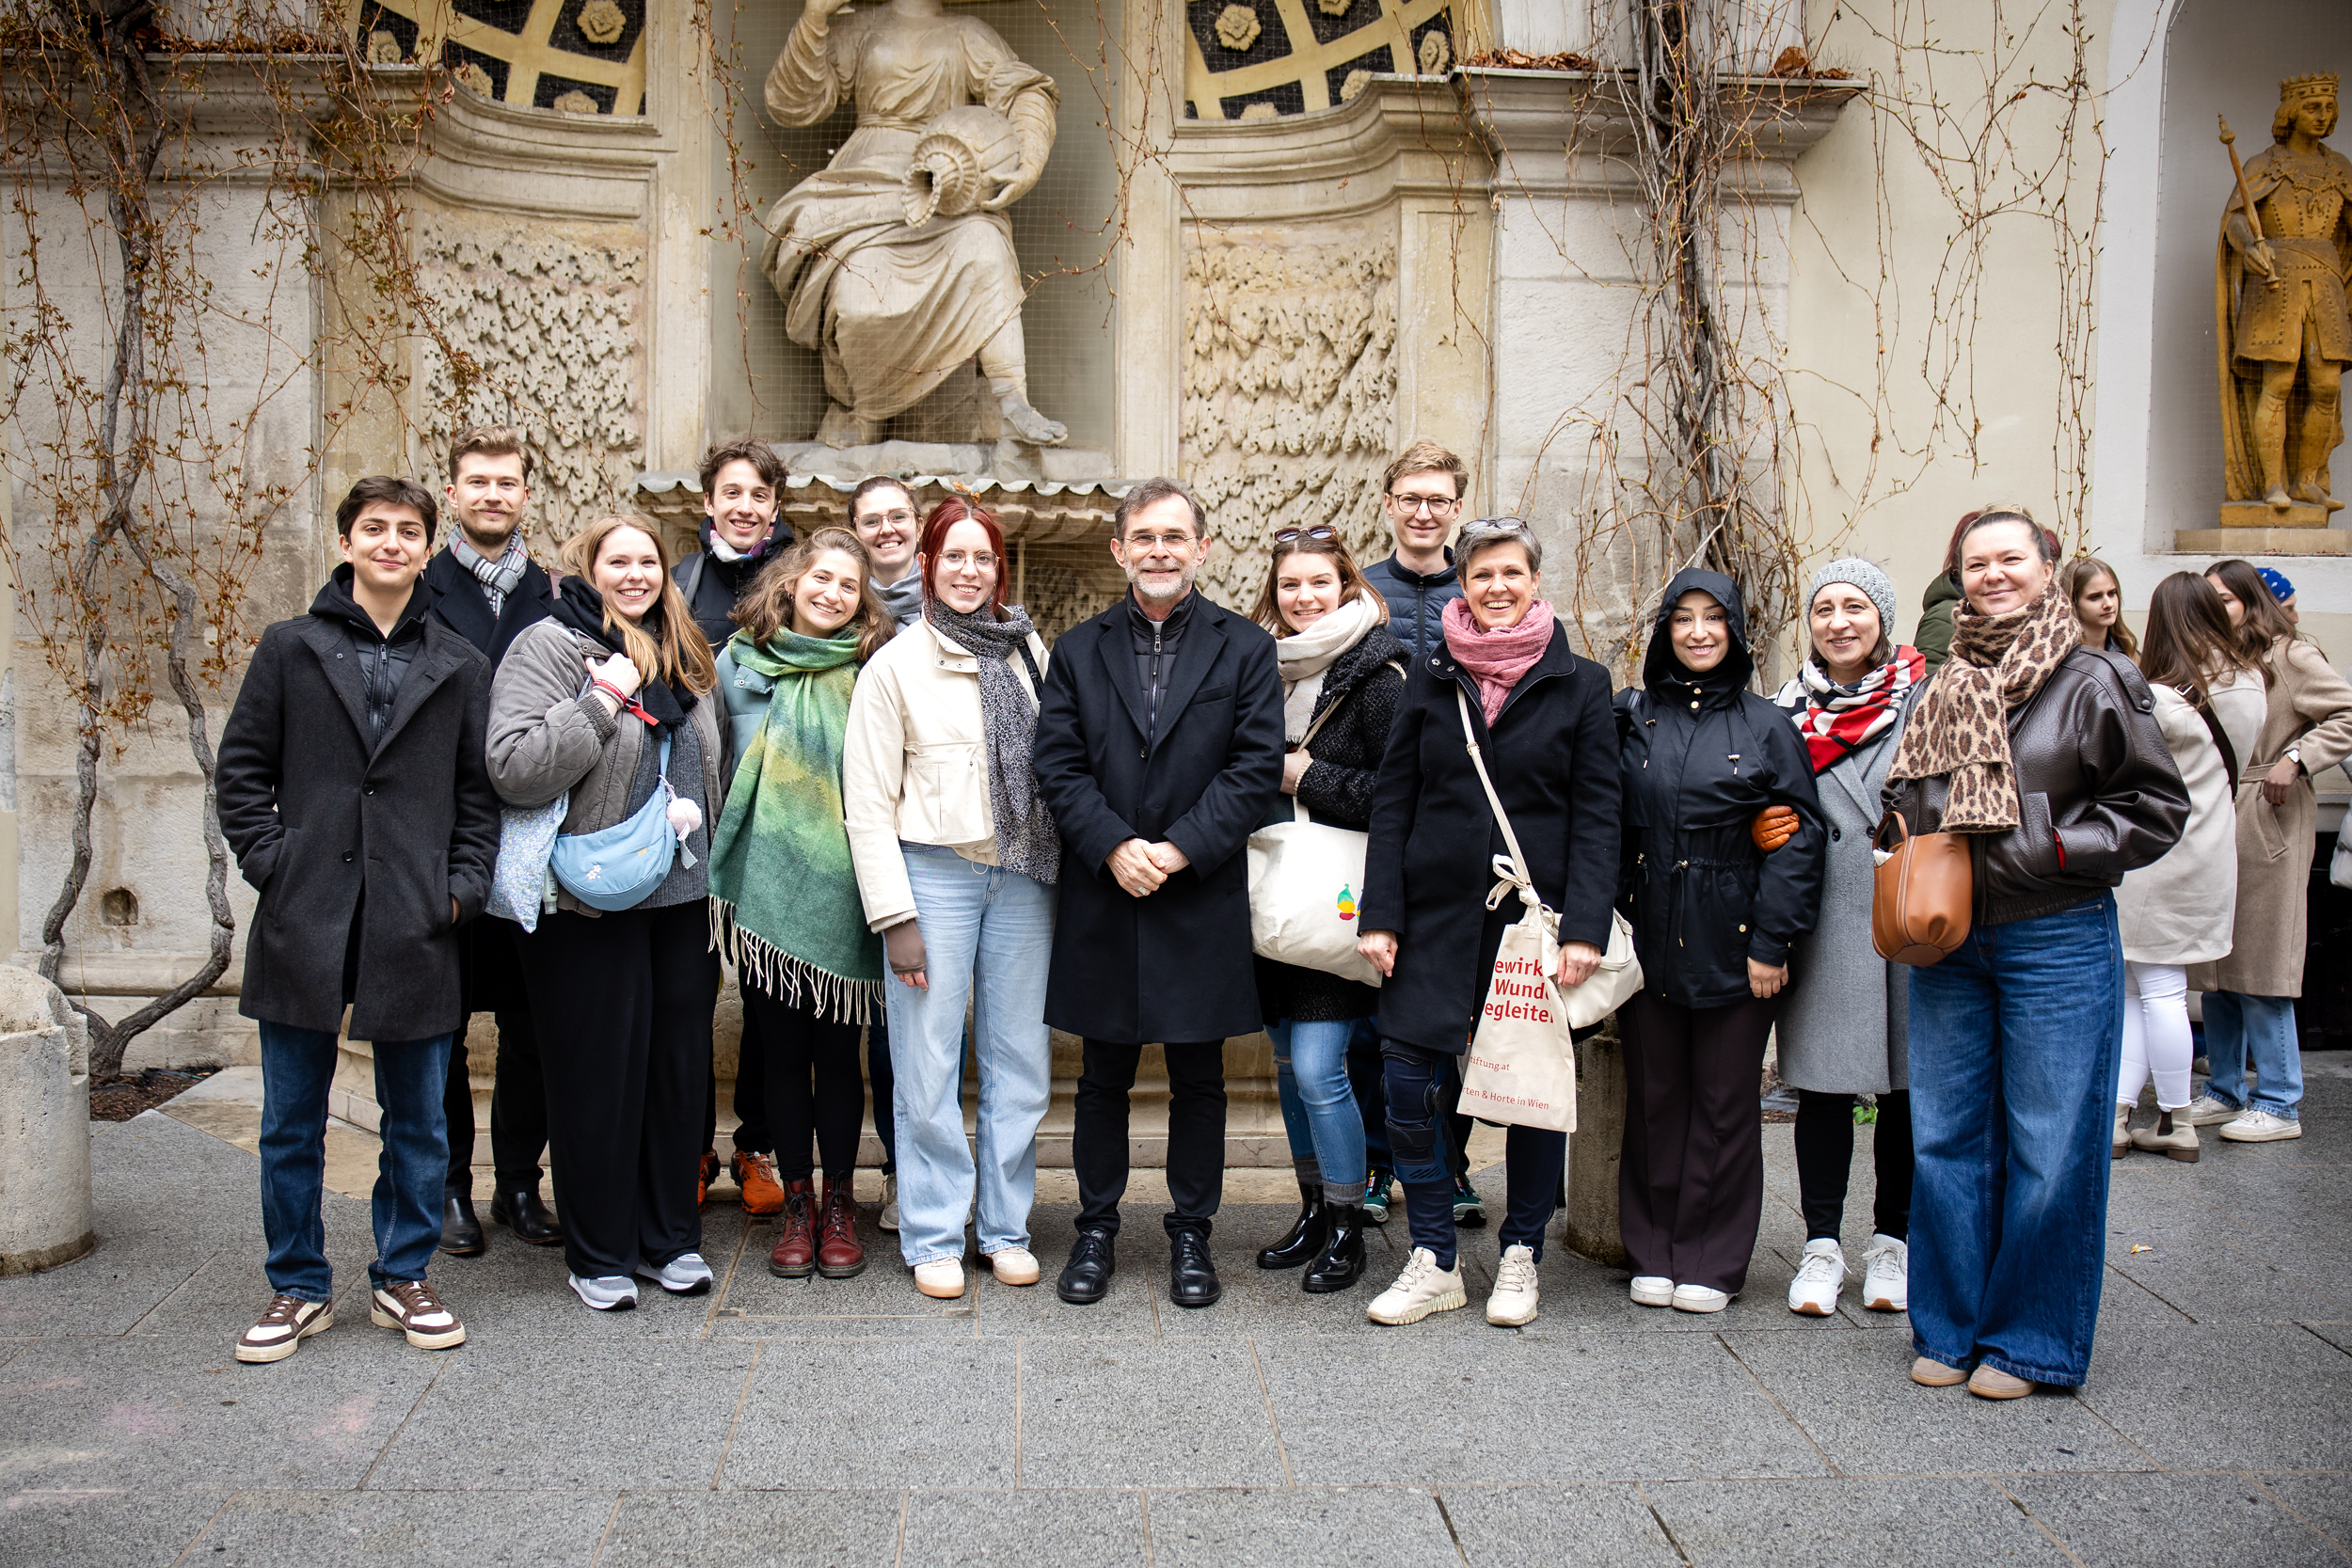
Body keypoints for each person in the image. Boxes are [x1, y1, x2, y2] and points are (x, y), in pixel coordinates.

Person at [1883, 506, 2187, 1398]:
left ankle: (2029, 1341)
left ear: (2046, 569)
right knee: (1945, 1138)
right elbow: (1909, 788)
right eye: (1976, 562)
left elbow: (2157, 808)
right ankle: (1950, 1327)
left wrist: (2051, 845)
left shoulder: (2094, 677)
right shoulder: (1941, 680)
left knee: (2052, 1143)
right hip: (1949, 935)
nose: (1993, 574)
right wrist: (1899, 833)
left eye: (2010, 558)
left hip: (2055, 928)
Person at [217, 476, 497, 1362]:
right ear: (347, 542)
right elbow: (241, 774)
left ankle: (402, 1274)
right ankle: (297, 1283)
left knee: (418, 1119)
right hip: (307, 915)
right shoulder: (289, 648)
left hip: (416, 920)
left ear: (427, 548)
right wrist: (278, 867)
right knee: (290, 1119)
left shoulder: (460, 662)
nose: (390, 543)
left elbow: (478, 799)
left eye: (408, 531)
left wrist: (458, 892)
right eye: (374, 528)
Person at [1358, 522, 1626, 1330]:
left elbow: (1598, 813)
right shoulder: (1432, 675)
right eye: (1482, 575)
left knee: (1534, 1090)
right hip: (1432, 916)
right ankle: (1434, 1255)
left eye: (1512, 572)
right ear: (1463, 584)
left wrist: (1585, 926)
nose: (1497, 587)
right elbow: (1394, 800)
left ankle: (1521, 1252)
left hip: (1530, 923)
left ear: (1534, 581)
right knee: (1407, 1085)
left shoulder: (1581, 682)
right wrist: (1381, 914)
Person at [1031, 476, 1283, 1308]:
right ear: (1119, 550)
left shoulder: (1245, 648)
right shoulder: (1077, 649)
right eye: (1144, 536)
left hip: (1196, 891)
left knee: (1200, 1078)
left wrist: (1176, 849)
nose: (1160, 550)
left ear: (1201, 548)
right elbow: (1057, 763)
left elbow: (1254, 768)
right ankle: (1095, 1228)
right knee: (1099, 1076)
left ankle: (1191, 1232)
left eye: (1175, 536)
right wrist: (1112, 845)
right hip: (1107, 889)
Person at [487, 514, 726, 1311]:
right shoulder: (550, 645)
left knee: (675, 1074)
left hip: (681, 899)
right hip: (585, 903)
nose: (634, 574)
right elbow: (513, 765)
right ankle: (599, 1251)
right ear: (588, 568)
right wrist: (599, 700)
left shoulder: (689, 654)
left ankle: (670, 1239)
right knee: (598, 1076)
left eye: (647, 560)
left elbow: (712, 760)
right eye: (616, 561)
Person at [844, 499, 1055, 1299]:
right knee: (928, 1062)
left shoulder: (1027, 649)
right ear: (927, 564)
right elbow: (867, 803)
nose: (970, 571)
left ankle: (1005, 1228)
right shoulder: (894, 665)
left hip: (1024, 875)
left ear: (1000, 568)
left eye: (983, 557)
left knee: (1020, 1058)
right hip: (933, 876)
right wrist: (894, 916)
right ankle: (933, 1232)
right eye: (954, 556)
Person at [1615, 569, 1826, 1316]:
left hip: (1736, 943)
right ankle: (1653, 1248)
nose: (1699, 631)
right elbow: (1604, 818)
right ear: (1665, 630)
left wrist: (1771, 941)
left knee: (1724, 1102)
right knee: (1655, 1098)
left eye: (1714, 618)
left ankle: (1712, 1257)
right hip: (1649, 938)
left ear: (1735, 629)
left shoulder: (1767, 726)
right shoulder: (1633, 717)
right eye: (1684, 618)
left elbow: (1800, 842)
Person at [709, 529, 896, 1281]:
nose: (832, 593)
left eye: (849, 585)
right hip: (765, 888)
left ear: (862, 600)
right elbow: (711, 763)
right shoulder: (737, 665)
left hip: (847, 890)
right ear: (791, 582)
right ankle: (797, 1201)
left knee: (838, 1057)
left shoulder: (874, 672)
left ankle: (840, 1201)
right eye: (822, 578)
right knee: (781, 1053)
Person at [1248, 527, 1405, 1294]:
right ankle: (1313, 1208)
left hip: (1336, 900)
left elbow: (1401, 795)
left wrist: (1304, 775)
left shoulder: (1379, 673)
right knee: (1287, 1066)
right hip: (1272, 896)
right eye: (1290, 585)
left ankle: (1348, 1223)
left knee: (1319, 1068)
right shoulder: (1264, 671)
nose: (1304, 597)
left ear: (1347, 584)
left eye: (1319, 582)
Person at [419, 425, 560, 1256]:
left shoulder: (557, 593)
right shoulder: (419, 587)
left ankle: (517, 1183)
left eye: (507, 482)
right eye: (478, 482)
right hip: (439, 836)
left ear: (525, 495)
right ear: (453, 493)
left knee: (530, 1021)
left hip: (530, 839)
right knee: (440, 1020)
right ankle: (447, 1186)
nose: (493, 495)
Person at [1770, 560, 1924, 1317]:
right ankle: (1822, 1244)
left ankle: (1893, 1239)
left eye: (1856, 606)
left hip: (1908, 910)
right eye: (1824, 607)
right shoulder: (1784, 709)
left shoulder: (1923, 698)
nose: (1839, 621)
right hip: (1824, 912)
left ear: (1882, 618)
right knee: (1825, 1085)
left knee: (1907, 1088)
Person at [1356, 437, 1486, 1227]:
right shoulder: (1360, 591)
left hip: (1456, 824)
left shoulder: (1477, 594)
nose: (1424, 511)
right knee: (1375, 1015)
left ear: (1457, 507)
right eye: (1411, 497)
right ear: (1389, 504)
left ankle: (1450, 1161)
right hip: (1366, 818)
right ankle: (1379, 1162)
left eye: (1439, 498)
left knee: (1455, 1009)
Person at [2185, 559, 2352, 1143]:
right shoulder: (2215, 659)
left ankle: (2280, 1101)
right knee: (2218, 963)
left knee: (2262, 962)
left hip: (2269, 814)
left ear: (2252, 601)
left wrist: (2298, 757)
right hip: (2218, 814)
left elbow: (2348, 713)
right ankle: (2225, 1088)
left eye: (2226, 599)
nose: (2216, 609)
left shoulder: (2292, 656)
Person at [2113, 573, 2265, 1161]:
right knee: (2148, 989)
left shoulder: (2164, 701)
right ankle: (2120, 1115)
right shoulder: (2250, 684)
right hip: (2209, 854)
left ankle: (2177, 1120)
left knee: (2155, 990)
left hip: (2155, 860)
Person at [675, 439, 789, 1218]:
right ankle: (691, 1144)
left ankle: (757, 1143)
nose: (744, 506)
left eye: (758, 494)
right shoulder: (679, 583)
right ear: (709, 501)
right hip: (689, 820)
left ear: (775, 506)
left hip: (768, 824)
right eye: (732, 492)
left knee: (768, 999)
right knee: (688, 993)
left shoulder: (798, 580)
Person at [848, 473, 926, 1231]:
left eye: (898, 515)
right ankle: (899, 1170)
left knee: (934, 1020)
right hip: (862, 828)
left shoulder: (954, 597)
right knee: (882, 1018)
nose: (886, 529)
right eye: (871, 519)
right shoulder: (843, 603)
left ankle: (931, 1168)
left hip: (935, 836)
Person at [2060, 557, 2137, 657]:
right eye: (2095, 597)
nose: (2109, 604)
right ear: (2072, 603)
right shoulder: (2061, 658)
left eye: (2112, 593)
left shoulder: (2130, 654)